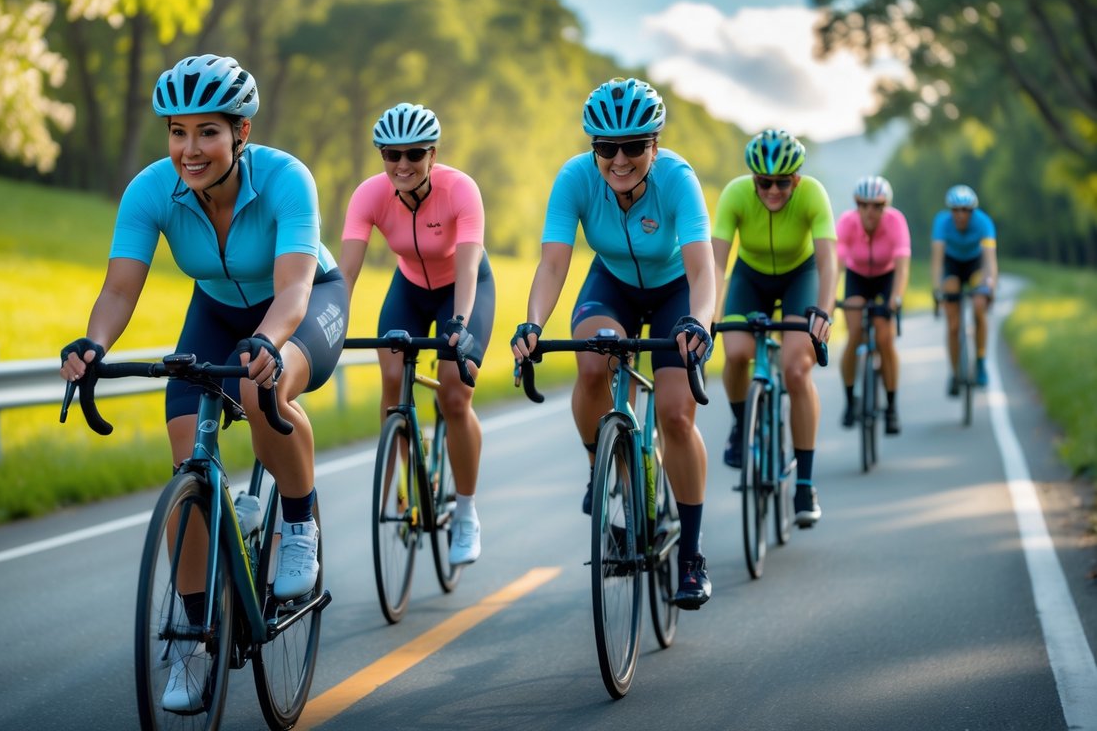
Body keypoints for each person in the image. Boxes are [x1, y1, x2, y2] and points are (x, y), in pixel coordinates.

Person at [59, 54, 347, 712]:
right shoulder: (150, 189)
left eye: (207, 132)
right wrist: (93, 344)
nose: (189, 149)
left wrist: (269, 342)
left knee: (258, 389)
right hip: (216, 310)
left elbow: (296, 286)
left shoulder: (284, 179)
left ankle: (298, 524)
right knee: (187, 447)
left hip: (304, 306)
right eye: (177, 131)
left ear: (241, 131)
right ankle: (191, 635)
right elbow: (119, 286)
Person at [510, 77, 716, 610]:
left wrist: (699, 324)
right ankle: (601, 465)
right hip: (614, 286)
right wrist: (532, 323)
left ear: (655, 144)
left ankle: (690, 556)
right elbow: (554, 262)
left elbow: (701, 269)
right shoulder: (576, 178)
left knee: (675, 416)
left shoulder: (677, 179)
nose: (619, 159)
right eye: (606, 147)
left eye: (633, 146)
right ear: (593, 148)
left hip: (674, 292)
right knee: (592, 362)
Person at [339, 102, 494, 567]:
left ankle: (465, 511)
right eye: (391, 155)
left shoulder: (460, 189)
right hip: (409, 288)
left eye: (413, 154)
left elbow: (467, 268)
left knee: (453, 394)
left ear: (432, 154)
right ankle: (414, 473)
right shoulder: (369, 195)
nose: (402, 164)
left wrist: (460, 326)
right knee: (392, 382)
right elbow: (344, 274)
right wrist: (325, 328)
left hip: (463, 290)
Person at [711, 128, 836, 528]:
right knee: (735, 353)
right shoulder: (735, 194)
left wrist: (824, 312)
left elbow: (829, 263)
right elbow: (715, 264)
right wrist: (707, 316)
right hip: (750, 277)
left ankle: (804, 483)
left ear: (796, 179)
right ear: (753, 179)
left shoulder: (813, 194)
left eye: (783, 182)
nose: (773, 191)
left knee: (797, 369)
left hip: (801, 276)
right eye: (764, 182)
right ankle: (739, 423)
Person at [836, 175, 911, 434]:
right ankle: (849, 400)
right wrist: (831, 299)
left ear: (885, 206)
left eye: (877, 206)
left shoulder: (895, 222)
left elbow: (902, 268)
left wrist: (896, 298)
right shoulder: (846, 222)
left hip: (885, 279)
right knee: (854, 333)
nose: (870, 212)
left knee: (885, 338)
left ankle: (891, 407)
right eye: (864, 205)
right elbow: (836, 266)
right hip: (857, 278)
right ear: (857, 205)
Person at [930, 184, 998, 391]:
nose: (960, 215)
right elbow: (937, 261)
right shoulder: (942, 222)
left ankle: (980, 361)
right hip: (952, 264)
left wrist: (990, 286)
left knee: (978, 305)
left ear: (972, 211)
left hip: (974, 263)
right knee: (953, 324)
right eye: (956, 210)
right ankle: (955, 372)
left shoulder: (984, 222)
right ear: (950, 211)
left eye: (966, 210)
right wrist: (936, 290)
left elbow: (990, 262)